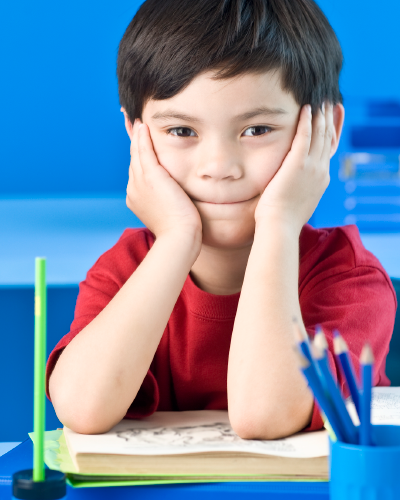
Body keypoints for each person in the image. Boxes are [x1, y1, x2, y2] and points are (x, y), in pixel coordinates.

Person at [46, 0, 397, 439]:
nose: (219, 167)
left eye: (257, 130)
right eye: (182, 131)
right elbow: (81, 408)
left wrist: (279, 224)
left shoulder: (349, 278)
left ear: (325, 131)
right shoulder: (126, 269)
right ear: (136, 136)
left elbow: (264, 415)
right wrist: (177, 239)